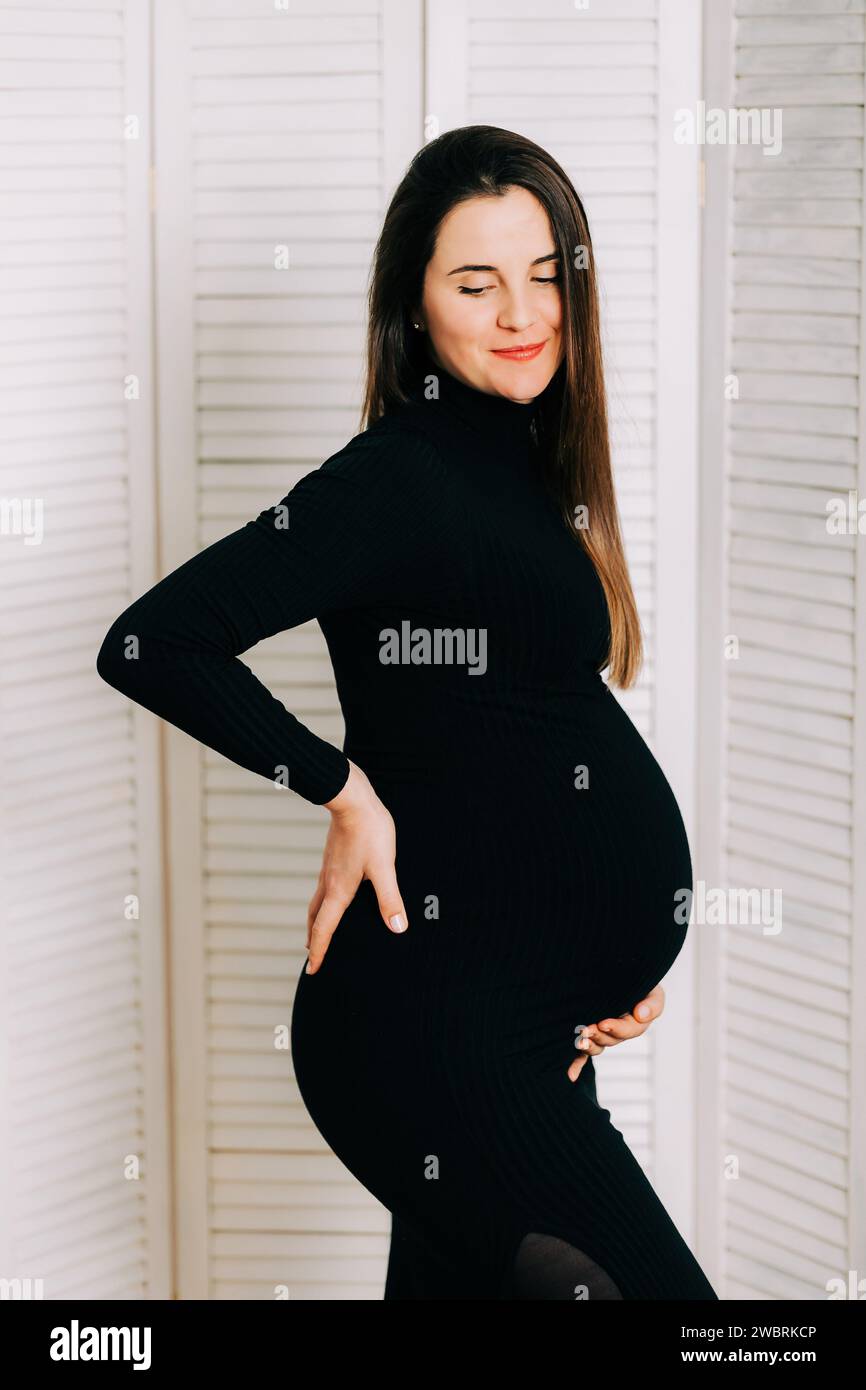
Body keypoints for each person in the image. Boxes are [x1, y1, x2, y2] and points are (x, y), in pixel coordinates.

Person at [97, 125, 718, 1300]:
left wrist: (607, 953)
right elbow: (149, 641)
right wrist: (338, 788)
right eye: (474, 283)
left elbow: (505, 754)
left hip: (518, 1027)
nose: (517, 311)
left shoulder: (526, 466)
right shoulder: (397, 478)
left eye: (543, 276)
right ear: (413, 308)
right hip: (434, 1032)